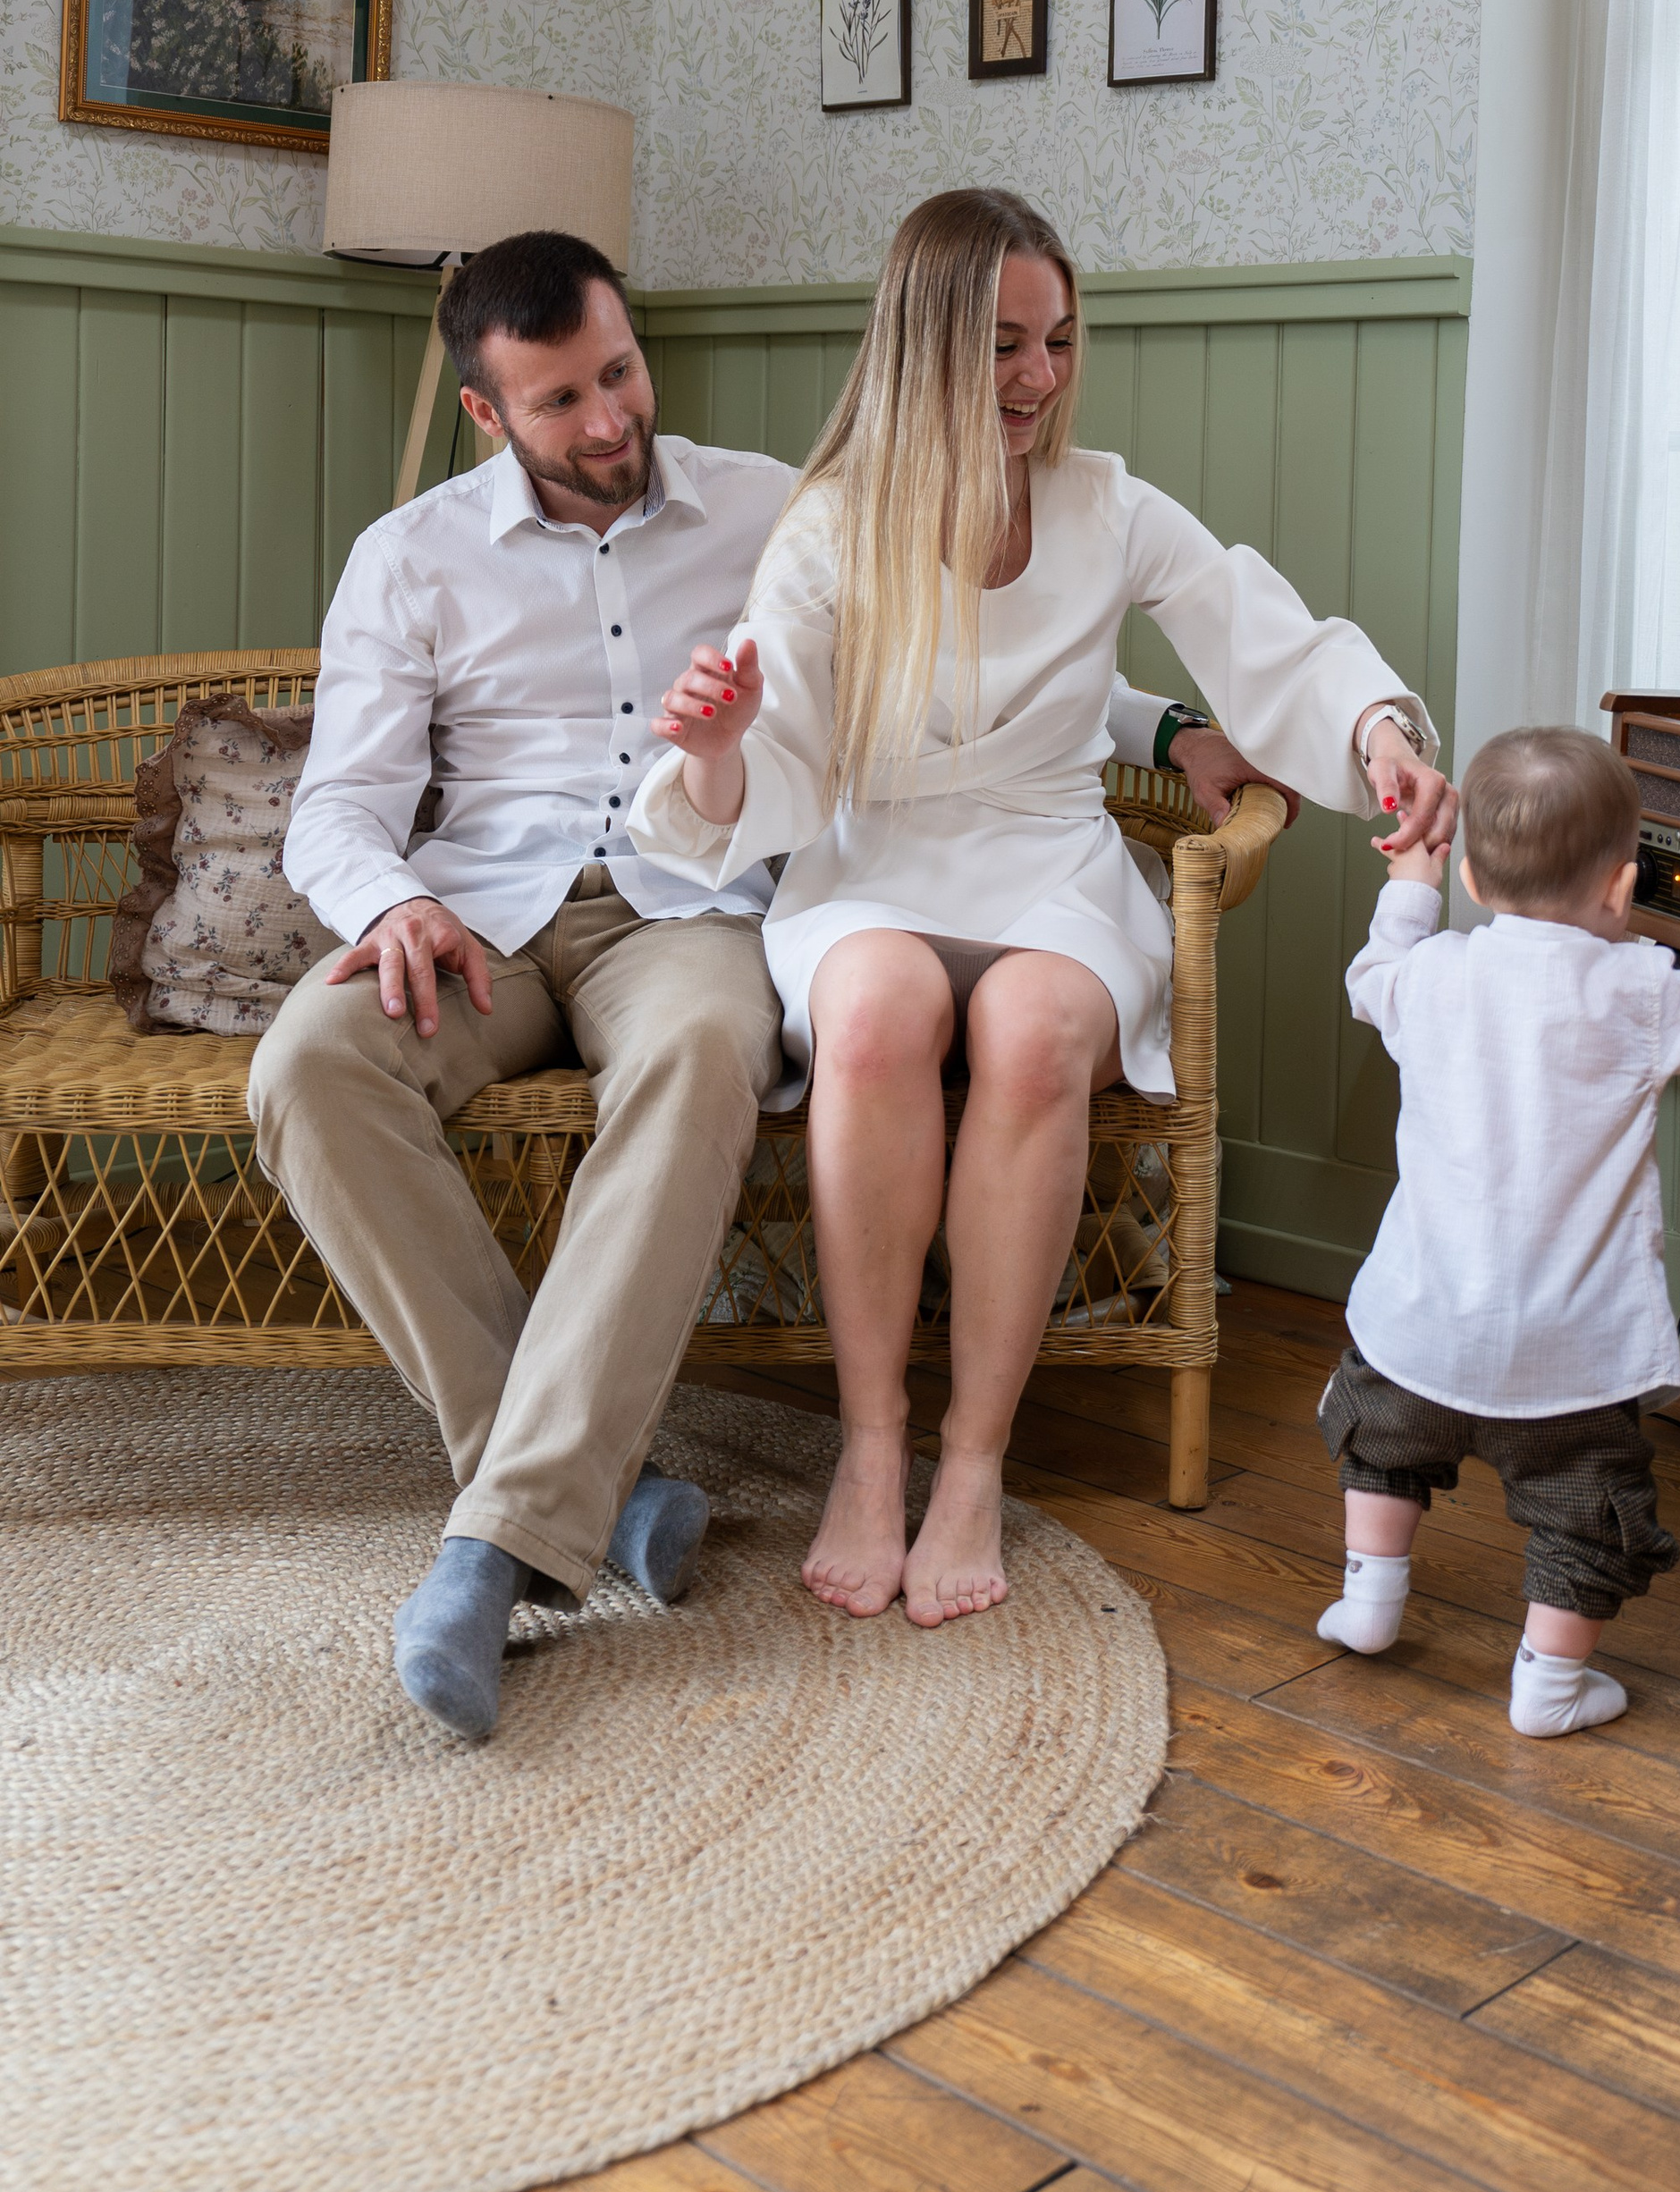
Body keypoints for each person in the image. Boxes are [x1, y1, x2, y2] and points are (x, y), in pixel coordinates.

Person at [250, 223, 1266, 1743]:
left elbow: (963, 657)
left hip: (692, 906)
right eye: (561, 402)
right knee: (306, 1072)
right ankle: (569, 1486)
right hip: (479, 913)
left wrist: (1165, 720)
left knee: (702, 1062)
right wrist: (389, 901)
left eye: (621, 372)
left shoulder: (767, 507)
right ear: (484, 412)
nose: (609, 421)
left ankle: (494, 1544)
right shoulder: (406, 561)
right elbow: (338, 803)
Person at [630, 185, 1459, 1629]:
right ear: (925, 348)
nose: (1039, 379)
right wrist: (711, 745)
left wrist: (1380, 730)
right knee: (878, 1015)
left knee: (1027, 1031)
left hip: (1051, 864)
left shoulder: (1106, 507)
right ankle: (874, 1444)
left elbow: (1269, 632)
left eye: (1061, 342)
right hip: (870, 859)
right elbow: (779, 758)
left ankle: (972, 1459)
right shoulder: (831, 531)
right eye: (1006, 345)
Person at [1316, 726, 1680, 1736]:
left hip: (1419, 1330)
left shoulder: (1434, 978)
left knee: (1383, 1448)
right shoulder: (1633, 995)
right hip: (1569, 1356)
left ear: (1476, 883)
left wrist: (1412, 881)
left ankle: (1370, 1603)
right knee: (1584, 1509)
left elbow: (1373, 974)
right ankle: (1548, 1685)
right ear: (1622, 890)